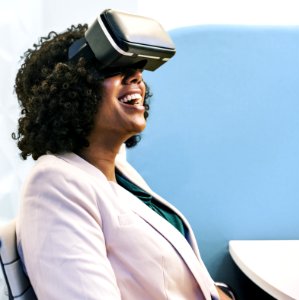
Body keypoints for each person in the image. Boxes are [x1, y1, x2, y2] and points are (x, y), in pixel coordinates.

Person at [13, 10, 234, 300]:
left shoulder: (121, 174)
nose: (136, 77)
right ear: (73, 91)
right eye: (113, 68)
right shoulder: (54, 184)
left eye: (137, 68)